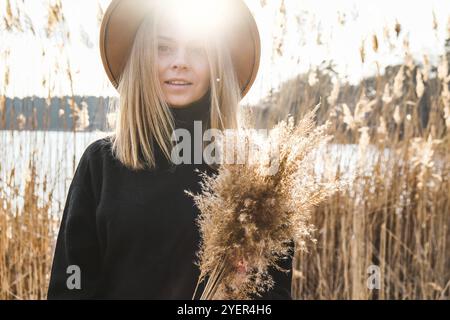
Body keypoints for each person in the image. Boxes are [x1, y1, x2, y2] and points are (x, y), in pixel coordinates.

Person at [47, 0, 293, 300]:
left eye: (199, 49)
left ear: (218, 62)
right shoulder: (101, 164)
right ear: (141, 59)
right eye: (163, 48)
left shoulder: (252, 171)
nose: (180, 61)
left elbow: (274, 293)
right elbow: (71, 284)